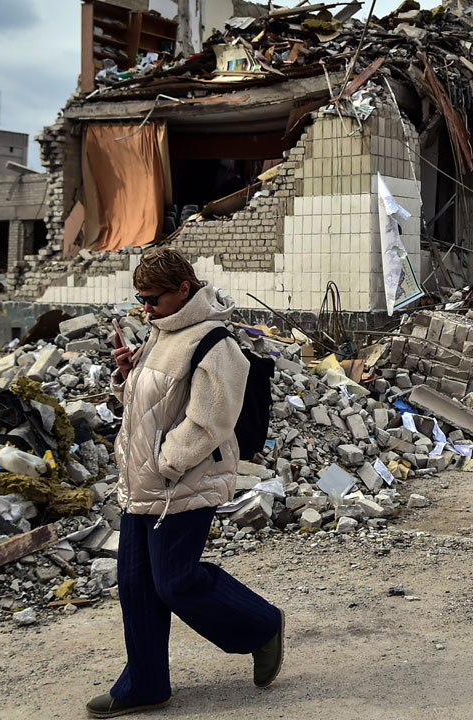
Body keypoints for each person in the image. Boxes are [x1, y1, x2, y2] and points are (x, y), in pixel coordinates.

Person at [87, 247, 284, 718]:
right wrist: (127, 377)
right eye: (140, 299)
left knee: (175, 582)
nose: (145, 308)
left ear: (183, 289)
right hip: (142, 481)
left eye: (153, 298)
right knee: (136, 585)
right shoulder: (160, 332)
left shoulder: (217, 343)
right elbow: (151, 405)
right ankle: (145, 685)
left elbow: (210, 421)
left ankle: (261, 625)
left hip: (181, 483)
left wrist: (167, 463)